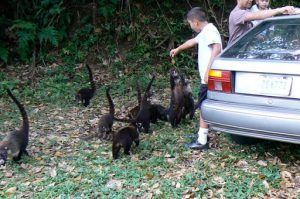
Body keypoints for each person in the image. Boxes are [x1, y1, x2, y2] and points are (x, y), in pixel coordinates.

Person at [169, 7, 222, 150]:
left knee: (203, 106)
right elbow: (192, 42)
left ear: (196, 22)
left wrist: (209, 70)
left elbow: (217, 49)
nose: (190, 26)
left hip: (209, 77)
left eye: (190, 23)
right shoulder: (205, 32)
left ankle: (202, 140)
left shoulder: (210, 31)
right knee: (204, 104)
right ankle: (201, 132)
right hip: (207, 78)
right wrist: (178, 49)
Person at [228, 0, 295, 45]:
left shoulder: (247, 11)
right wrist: (280, 10)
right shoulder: (236, 14)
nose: (251, 0)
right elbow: (257, 15)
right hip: (233, 53)